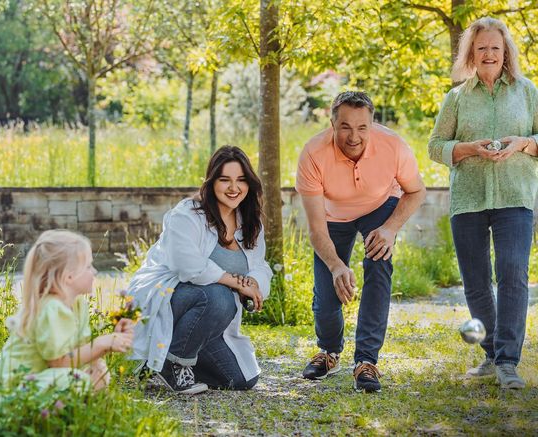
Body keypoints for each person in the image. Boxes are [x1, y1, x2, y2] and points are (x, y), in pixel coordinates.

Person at [429, 17, 538, 390]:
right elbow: (435, 147)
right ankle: (491, 354)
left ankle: (508, 361)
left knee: (512, 274)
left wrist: (522, 143)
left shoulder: (527, 92)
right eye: (481, 48)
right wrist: (466, 149)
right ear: (471, 54)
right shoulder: (456, 97)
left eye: (495, 47)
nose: (489, 54)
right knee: (476, 282)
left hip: (515, 197)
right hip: (469, 199)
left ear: (505, 51)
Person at [296, 91, 426, 393]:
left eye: (362, 127)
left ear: (372, 124)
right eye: (345, 127)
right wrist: (337, 266)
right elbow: (316, 229)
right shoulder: (313, 153)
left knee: (379, 265)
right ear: (332, 124)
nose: (354, 136)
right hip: (333, 215)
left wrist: (391, 228)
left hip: (379, 207)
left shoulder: (393, 146)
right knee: (327, 287)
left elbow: (416, 191)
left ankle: (366, 361)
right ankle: (329, 352)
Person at [128, 145, 272, 394]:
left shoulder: (250, 222)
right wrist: (235, 282)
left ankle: (163, 362)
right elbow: (188, 268)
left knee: (240, 380)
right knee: (218, 296)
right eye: (224, 179)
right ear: (211, 182)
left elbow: (260, 265)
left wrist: (254, 284)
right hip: (171, 301)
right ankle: (171, 364)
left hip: (206, 319)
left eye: (240, 180)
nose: (233, 188)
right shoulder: (187, 214)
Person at [0, 230, 135, 395]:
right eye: (88, 266)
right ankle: (31, 413)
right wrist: (103, 343)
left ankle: (74, 413)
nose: (94, 272)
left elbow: (79, 351)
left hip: (42, 379)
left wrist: (112, 342)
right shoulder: (52, 308)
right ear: (69, 277)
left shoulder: (78, 304)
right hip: (18, 387)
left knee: (98, 370)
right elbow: (58, 363)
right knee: (77, 379)